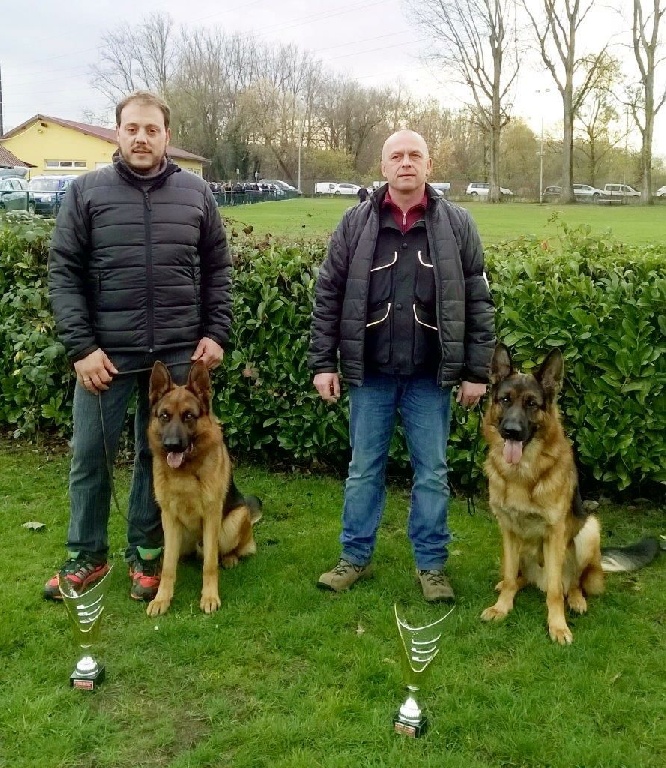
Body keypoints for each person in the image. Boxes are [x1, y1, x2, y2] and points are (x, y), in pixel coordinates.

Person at [44, 90, 232, 602]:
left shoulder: (196, 192)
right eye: (132, 128)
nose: (142, 137)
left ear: (167, 135)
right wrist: (82, 347)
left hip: (176, 355)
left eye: (152, 129)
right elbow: (64, 273)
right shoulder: (85, 193)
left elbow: (218, 267)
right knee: (90, 456)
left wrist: (216, 331)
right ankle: (86, 556)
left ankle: (146, 556)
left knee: (161, 457)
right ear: (118, 132)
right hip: (106, 356)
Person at [308, 129, 495, 603]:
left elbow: (477, 299)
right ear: (383, 167)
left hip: (429, 378)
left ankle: (432, 567)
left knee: (431, 472)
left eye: (415, 155)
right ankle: (354, 558)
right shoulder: (355, 223)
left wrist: (475, 372)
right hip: (369, 373)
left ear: (429, 166)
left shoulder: (457, 224)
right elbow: (328, 295)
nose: (406, 163)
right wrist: (323, 362)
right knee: (363, 469)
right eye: (397, 156)